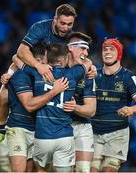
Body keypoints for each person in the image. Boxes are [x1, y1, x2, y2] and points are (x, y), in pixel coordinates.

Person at [0, 4, 78, 148]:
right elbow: (20, 52)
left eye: (69, 24)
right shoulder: (40, 28)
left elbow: (79, 57)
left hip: (56, 76)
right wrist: (12, 73)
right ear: (55, 19)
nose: (66, 28)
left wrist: (89, 65)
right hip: (35, 68)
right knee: (3, 94)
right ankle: (0, 131)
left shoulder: (72, 37)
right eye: (62, 23)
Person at [14, 43, 92, 172]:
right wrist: (85, 63)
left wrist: (38, 65)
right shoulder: (72, 74)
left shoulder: (37, 73)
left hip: (42, 135)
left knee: (41, 171)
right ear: (63, 59)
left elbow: (16, 58)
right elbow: (88, 62)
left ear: (46, 57)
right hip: (65, 135)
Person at [5, 43, 69, 172]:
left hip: (39, 128)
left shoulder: (48, 75)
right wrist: (54, 92)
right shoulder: (21, 75)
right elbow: (29, 105)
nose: (50, 61)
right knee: (19, 170)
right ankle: (0, 128)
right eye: (47, 58)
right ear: (38, 61)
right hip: (19, 127)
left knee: (35, 170)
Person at [90, 38, 136, 172]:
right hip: (93, 132)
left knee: (108, 170)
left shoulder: (128, 77)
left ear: (119, 54)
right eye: (105, 49)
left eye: (112, 49)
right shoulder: (93, 75)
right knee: (92, 170)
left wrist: (131, 109)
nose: (107, 52)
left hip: (117, 133)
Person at [62, 32, 96, 172]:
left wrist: (75, 107)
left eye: (87, 49)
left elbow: (91, 110)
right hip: (59, 125)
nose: (86, 53)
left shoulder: (88, 74)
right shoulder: (54, 68)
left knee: (83, 169)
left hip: (82, 126)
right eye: (83, 48)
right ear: (70, 47)